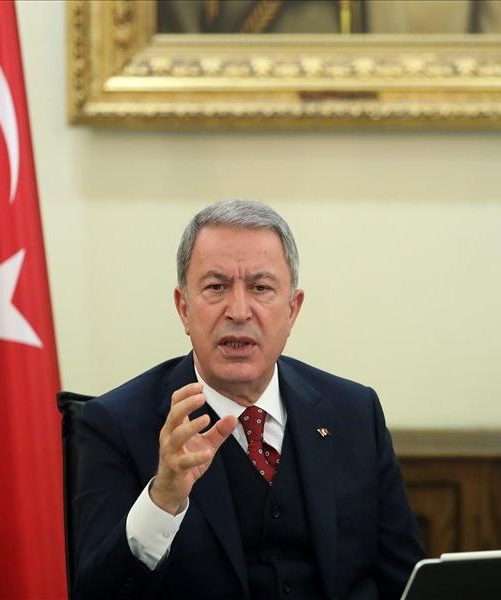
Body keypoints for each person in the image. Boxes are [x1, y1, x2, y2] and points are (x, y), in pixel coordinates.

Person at [73, 200, 425, 599]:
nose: (239, 311)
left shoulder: (354, 413)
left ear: (292, 310)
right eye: (216, 287)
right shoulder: (117, 425)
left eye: (260, 288)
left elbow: (406, 580)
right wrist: (163, 500)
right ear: (183, 308)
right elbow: (95, 594)